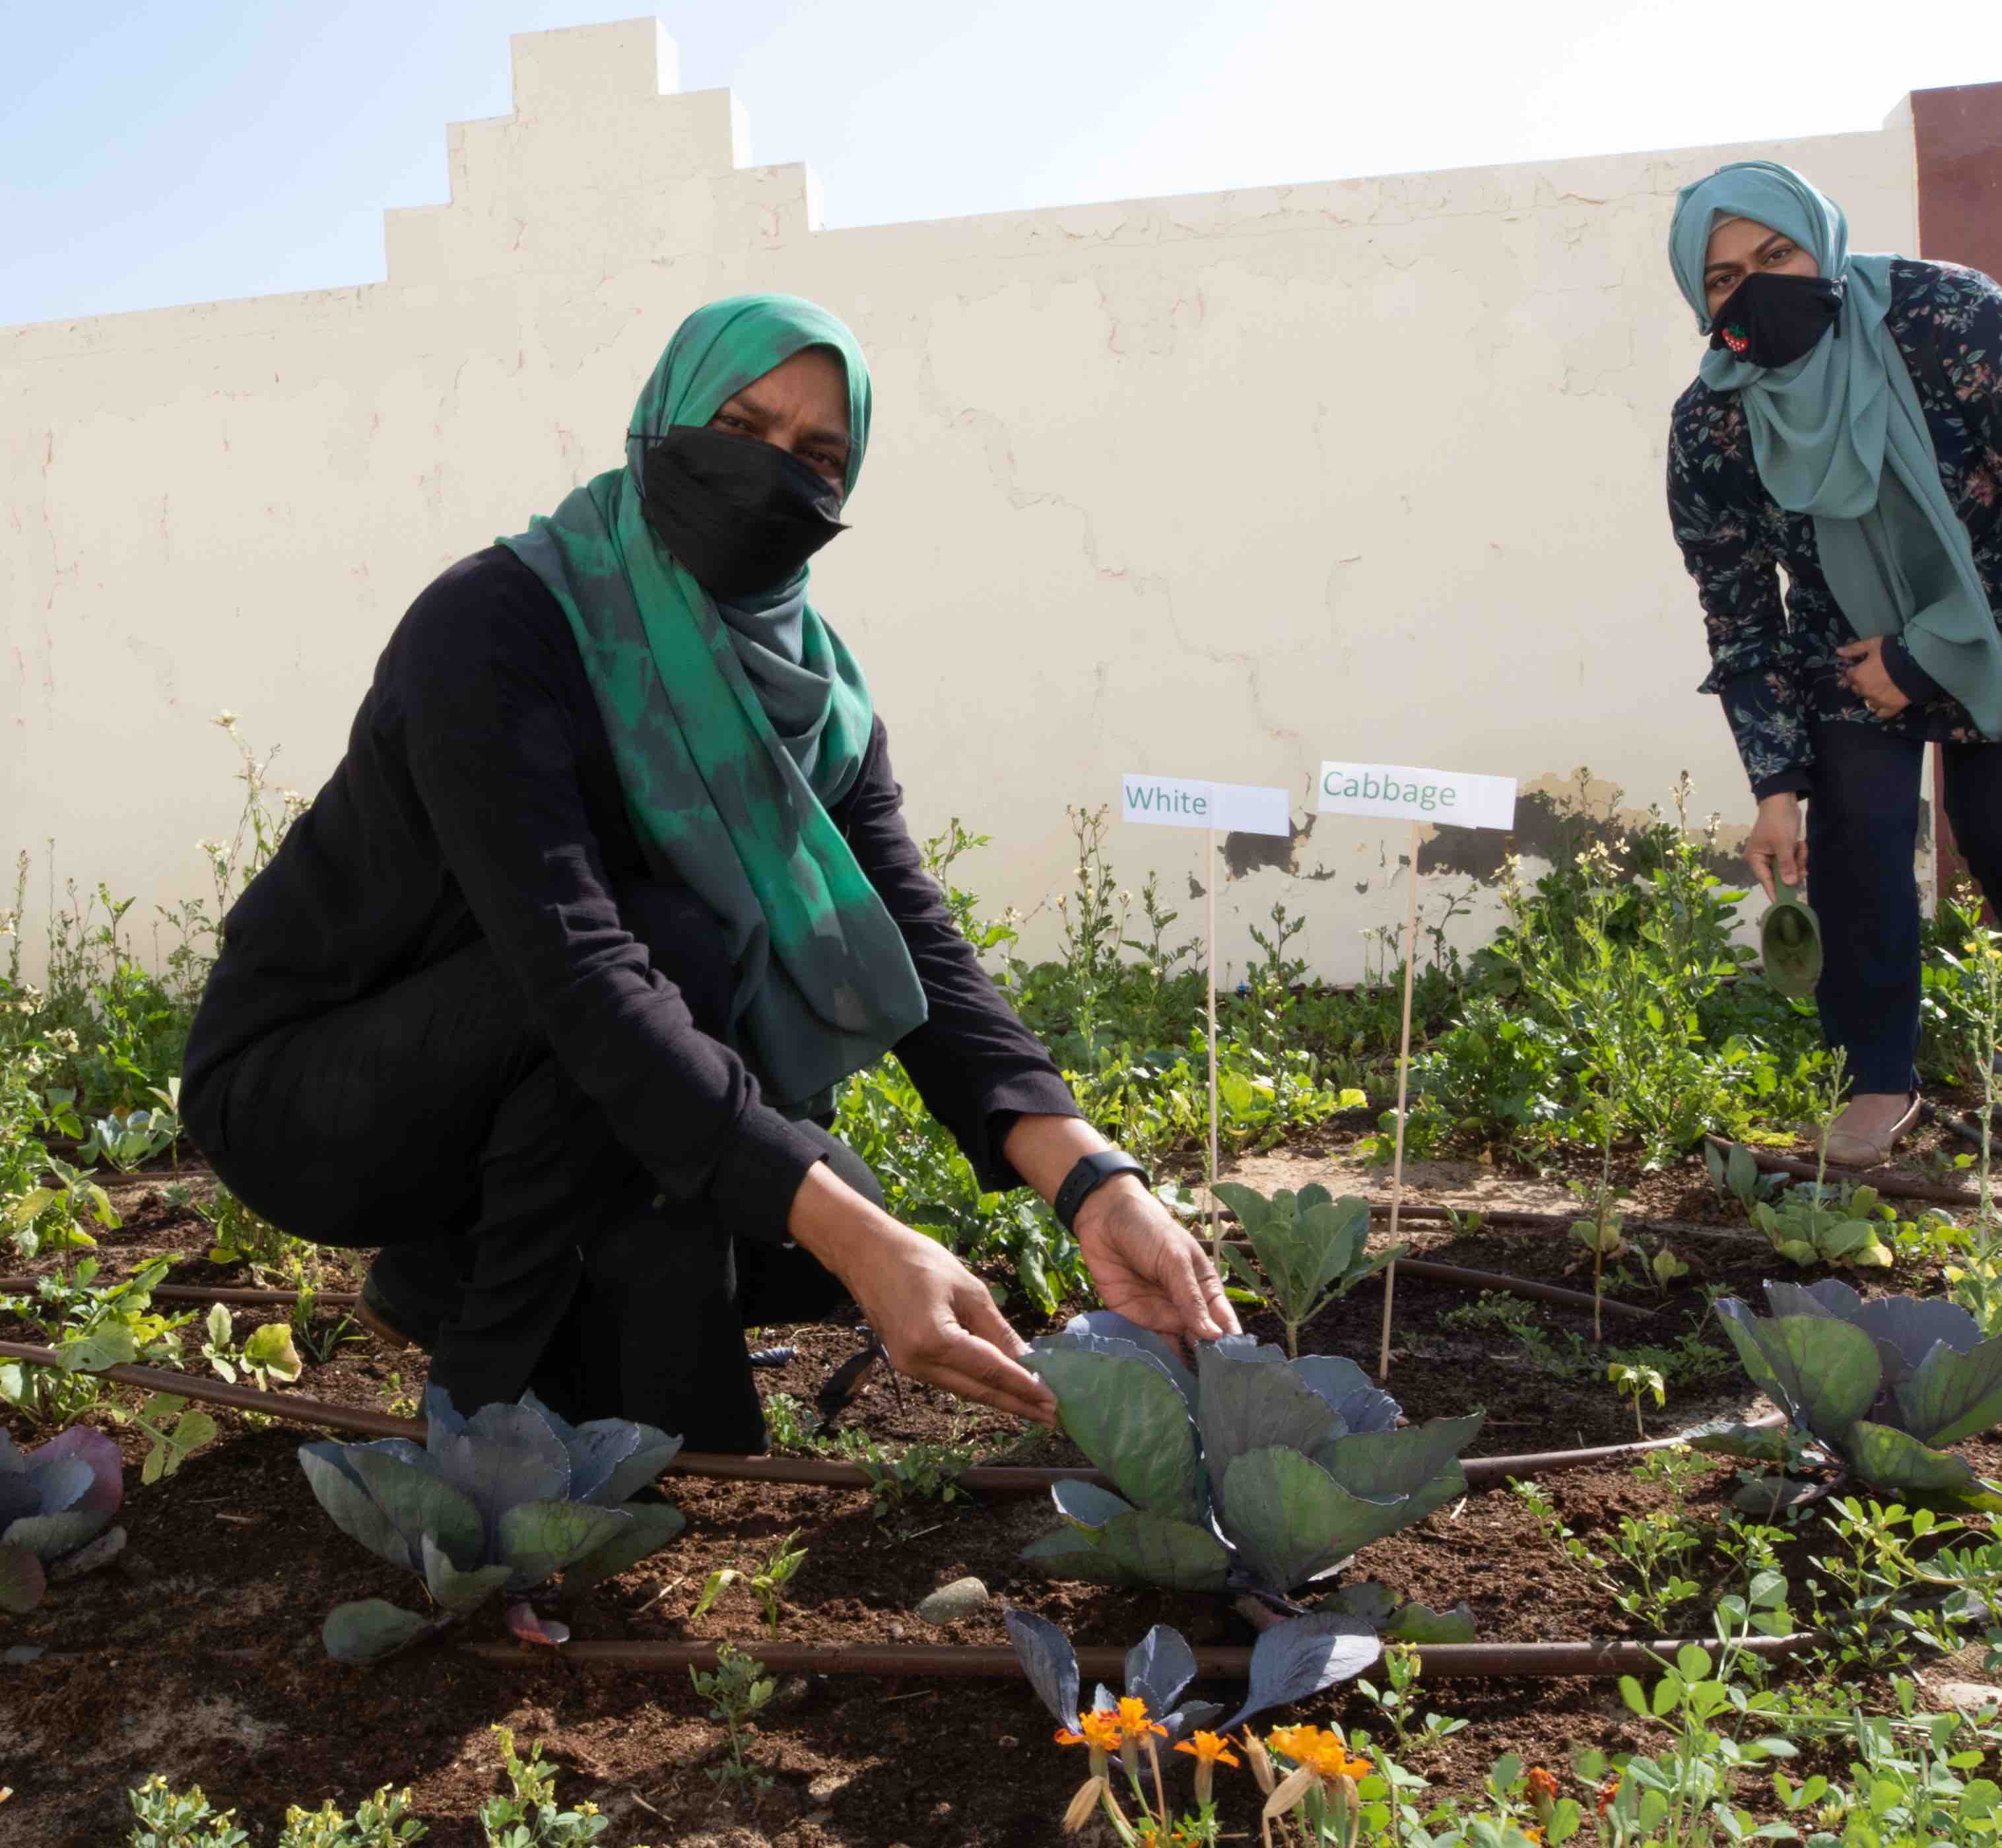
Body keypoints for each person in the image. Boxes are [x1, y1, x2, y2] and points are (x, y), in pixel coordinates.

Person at [179, 294, 1238, 1452]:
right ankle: (485, 1434)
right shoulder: (496, 625)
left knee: (803, 1225)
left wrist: (1096, 1185)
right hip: (312, 1093)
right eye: (739, 427)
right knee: (691, 989)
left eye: (817, 455)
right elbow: (580, 970)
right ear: (665, 421)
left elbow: (918, 944)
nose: (771, 470)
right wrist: (859, 1241)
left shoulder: (813, 700)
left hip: (540, 1065)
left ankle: (450, 1275)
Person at [1663, 162, 2002, 1168]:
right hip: (1844, 644)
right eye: (1727, 278)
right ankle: (1875, 1079)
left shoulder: (1948, 319)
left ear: (1820, 244)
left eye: (1777, 255)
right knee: (1857, 850)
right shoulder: (1712, 426)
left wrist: (1928, 653)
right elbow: (1740, 615)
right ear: (1702, 300)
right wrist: (1775, 785)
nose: (1758, 288)